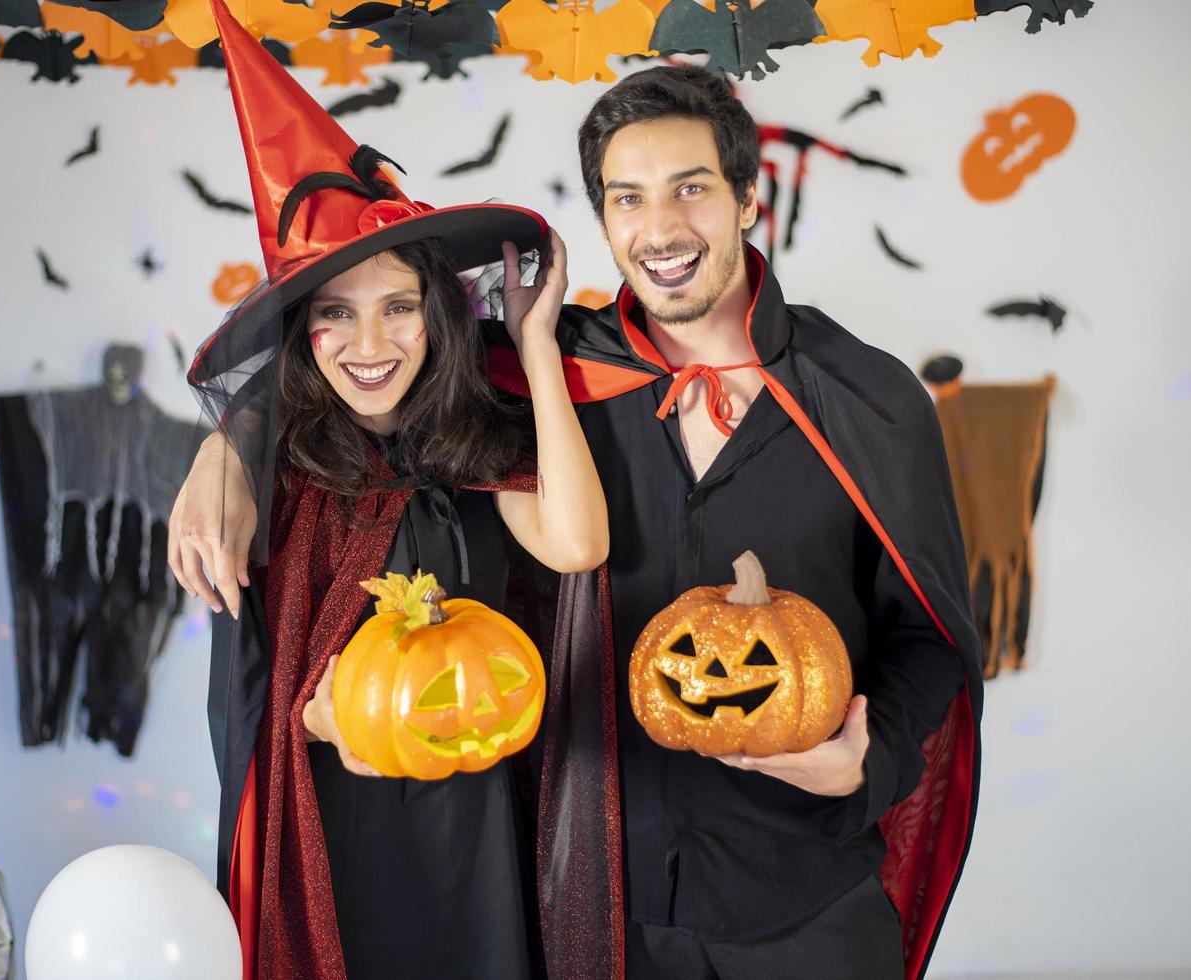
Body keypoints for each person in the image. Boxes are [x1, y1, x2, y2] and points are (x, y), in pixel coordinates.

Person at [491, 66, 985, 980]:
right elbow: (371, 386)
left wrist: (865, 760)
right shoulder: (549, 384)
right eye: (627, 198)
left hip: (810, 906)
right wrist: (230, 444)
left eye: (691, 189)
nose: (660, 228)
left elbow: (930, 636)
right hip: (597, 909)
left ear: (748, 200)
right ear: (604, 219)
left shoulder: (868, 399)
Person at [167, 4, 607, 979]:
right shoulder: (275, 474)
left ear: (439, 313)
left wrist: (536, 346)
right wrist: (224, 447)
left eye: (398, 306)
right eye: (335, 315)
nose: (372, 345)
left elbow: (576, 544)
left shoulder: (471, 442)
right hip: (334, 834)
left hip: (473, 831)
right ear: (301, 333)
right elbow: (254, 694)